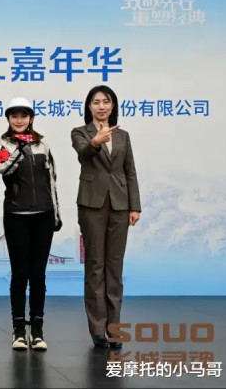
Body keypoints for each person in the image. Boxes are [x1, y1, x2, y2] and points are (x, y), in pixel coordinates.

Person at [71, 85, 141, 349]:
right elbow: (83, 154)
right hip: (92, 204)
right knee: (95, 265)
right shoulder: (80, 132)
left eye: (106, 101)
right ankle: (98, 328)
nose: (101, 106)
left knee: (115, 266)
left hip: (120, 205)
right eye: (96, 102)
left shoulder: (123, 135)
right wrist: (96, 141)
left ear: (113, 106)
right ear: (89, 106)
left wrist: (135, 206)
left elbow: (130, 171)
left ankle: (114, 327)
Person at [0, 97, 62, 351]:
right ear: (8, 119)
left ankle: (38, 331)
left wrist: (56, 213)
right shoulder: (2, 144)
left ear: (31, 118)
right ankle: (19, 330)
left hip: (43, 215)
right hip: (16, 215)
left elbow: (52, 180)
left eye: (24, 116)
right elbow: (4, 169)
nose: (19, 120)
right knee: (20, 273)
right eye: (14, 116)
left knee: (38, 275)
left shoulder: (43, 144)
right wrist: (20, 149)